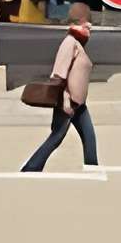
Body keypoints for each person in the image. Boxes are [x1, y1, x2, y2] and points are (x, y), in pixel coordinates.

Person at [21, 16, 98, 172]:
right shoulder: (69, 43)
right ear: (73, 24)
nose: (89, 27)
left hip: (78, 104)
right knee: (57, 136)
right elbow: (58, 73)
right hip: (68, 101)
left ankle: (92, 167)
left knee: (89, 136)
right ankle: (31, 168)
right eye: (85, 24)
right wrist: (65, 99)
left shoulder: (77, 44)